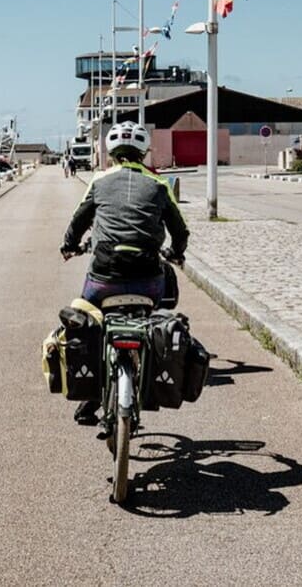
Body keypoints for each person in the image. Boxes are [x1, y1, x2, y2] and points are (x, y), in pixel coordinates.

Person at [60, 121, 189, 425]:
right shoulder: (159, 184)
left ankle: (91, 400)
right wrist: (176, 253)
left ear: (111, 152)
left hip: (103, 278)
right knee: (152, 320)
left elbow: (78, 221)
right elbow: (180, 230)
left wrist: (69, 246)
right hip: (148, 280)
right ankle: (149, 376)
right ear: (144, 152)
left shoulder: (100, 181)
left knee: (90, 320)